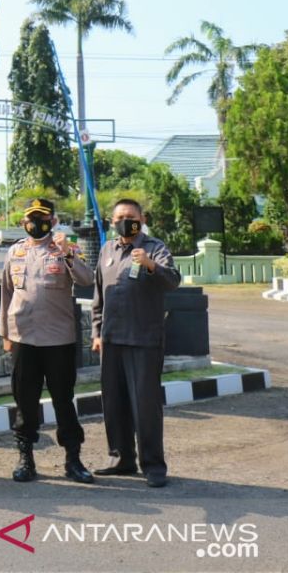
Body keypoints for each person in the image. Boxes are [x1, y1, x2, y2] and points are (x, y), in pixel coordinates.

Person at [0, 198, 95, 484]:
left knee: (63, 400)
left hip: (58, 339)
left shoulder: (66, 248)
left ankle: (73, 459)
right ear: (23, 221)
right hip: (23, 337)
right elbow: (6, 293)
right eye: (32, 217)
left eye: (42, 218)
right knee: (25, 400)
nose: (36, 222)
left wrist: (67, 254)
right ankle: (25, 458)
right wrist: (5, 333)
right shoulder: (14, 251)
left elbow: (88, 279)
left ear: (53, 221)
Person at [90, 198, 182, 488]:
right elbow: (98, 295)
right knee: (114, 402)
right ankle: (122, 458)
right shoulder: (107, 249)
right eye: (119, 217)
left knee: (145, 405)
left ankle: (153, 465)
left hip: (143, 339)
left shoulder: (155, 247)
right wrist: (96, 332)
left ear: (142, 219)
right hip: (111, 339)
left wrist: (150, 265)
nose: (124, 221)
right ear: (111, 221)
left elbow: (173, 280)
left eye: (130, 216)